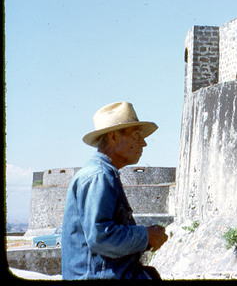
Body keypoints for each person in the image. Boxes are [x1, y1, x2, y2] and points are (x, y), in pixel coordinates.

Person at [61, 101, 169, 279]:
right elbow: (100, 237)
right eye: (136, 136)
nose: (144, 143)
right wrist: (146, 236)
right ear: (113, 137)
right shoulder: (99, 176)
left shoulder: (103, 173)